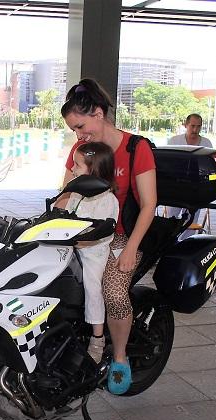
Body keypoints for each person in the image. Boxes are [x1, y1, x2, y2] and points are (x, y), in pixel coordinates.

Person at [60, 78, 157, 395]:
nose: (78, 135)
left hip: (121, 235)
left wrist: (130, 248)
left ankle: (118, 357)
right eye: (74, 129)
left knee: (114, 292)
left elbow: (149, 205)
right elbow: (66, 192)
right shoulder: (80, 149)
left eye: (81, 125)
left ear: (99, 113)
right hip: (85, 232)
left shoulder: (135, 148)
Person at [61, 142, 119, 363]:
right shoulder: (77, 194)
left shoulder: (107, 200)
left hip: (93, 252)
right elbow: (65, 216)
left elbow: (100, 233)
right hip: (72, 247)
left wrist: (78, 242)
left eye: (77, 165)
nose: (72, 169)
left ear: (93, 170)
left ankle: (97, 337)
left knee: (92, 284)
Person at [166, 113, 213, 239]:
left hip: (196, 188)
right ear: (186, 125)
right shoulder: (174, 141)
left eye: (198, 127)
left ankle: (186, 243)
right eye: (192, 126)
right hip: (176, 186)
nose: (195, 130)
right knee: (171, 219)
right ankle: (169, 242)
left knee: (191, 220)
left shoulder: (207, 144)